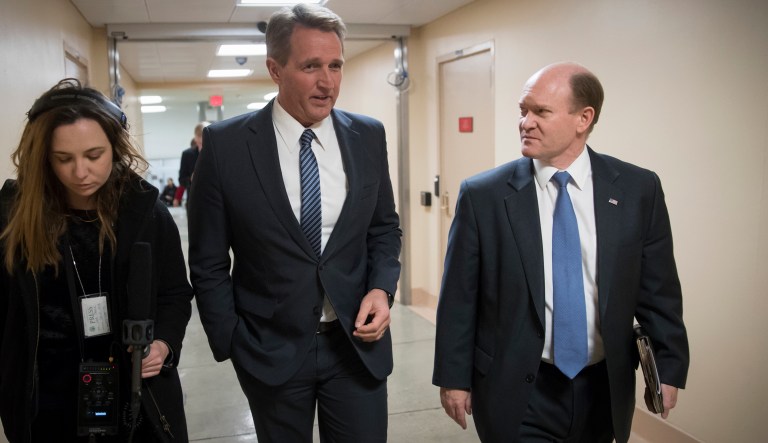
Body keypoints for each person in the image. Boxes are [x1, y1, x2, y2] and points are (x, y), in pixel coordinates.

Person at [432, 62, 689, 443]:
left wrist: (668, 367)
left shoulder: (638, 189)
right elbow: (459, 297)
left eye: (541, 112)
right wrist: (453, 378)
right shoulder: (484, 196)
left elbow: (658, 290)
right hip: (518, 388)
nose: (526, 122)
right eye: (523, 110)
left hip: (602, 386)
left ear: (583, 118)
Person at [188, 4, 401, 442]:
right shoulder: (226, 146)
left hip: (355, 346)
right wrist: (231, 340)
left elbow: (383, 228)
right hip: (270, 349)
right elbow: (208, 259)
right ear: (275, 69)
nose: (328, 82)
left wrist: (381, 289)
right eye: (310, 67)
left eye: (336, 65)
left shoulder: (368, 136)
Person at [0, 79, 193, 442]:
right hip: (46, 400)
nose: (80, 172)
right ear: (43, 156)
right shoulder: (12, 217)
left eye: (93, 155)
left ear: (115, 147)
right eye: (63, 159)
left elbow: (175, 294)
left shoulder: (147, 213)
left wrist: (165, 343)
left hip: (137, 393)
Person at [174, 123, 208, 207]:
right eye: (200, 143)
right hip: (194, 202)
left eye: (204, 144)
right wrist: (191, 179)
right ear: (195, 139)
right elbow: (181, 180)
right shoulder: (187, 154)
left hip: (214, 200)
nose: (202, 147)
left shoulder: (215, 153)